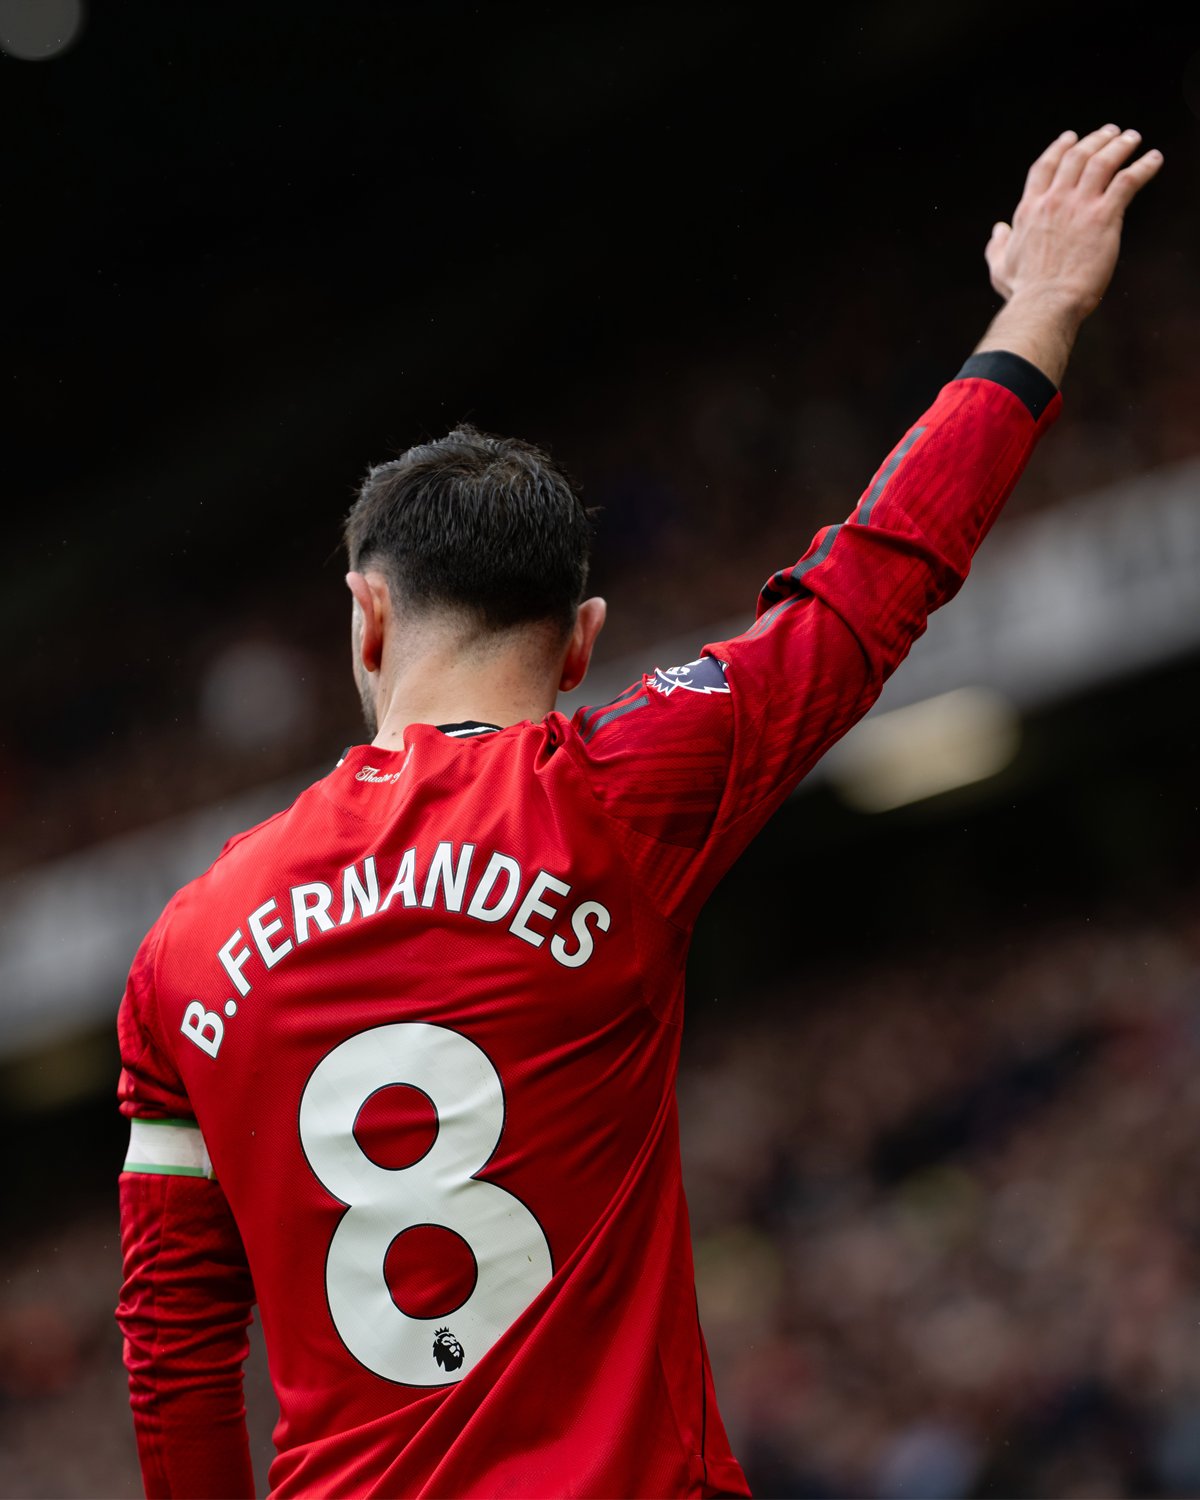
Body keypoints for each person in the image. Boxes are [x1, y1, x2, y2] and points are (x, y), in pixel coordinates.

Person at [116, 124, 1161, 1499]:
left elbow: (174, 1346)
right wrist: (1038, 314)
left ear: (366, 618)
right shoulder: (615, 798)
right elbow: (868, 585)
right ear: (583, 641)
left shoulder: (183, 950)